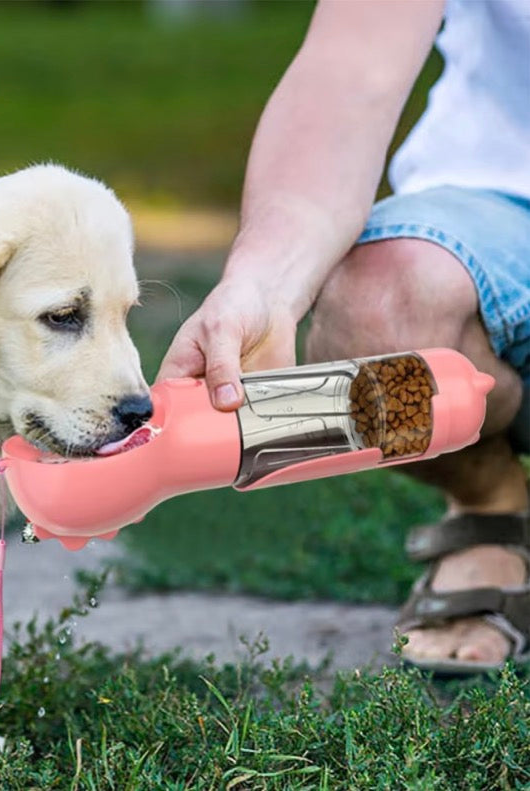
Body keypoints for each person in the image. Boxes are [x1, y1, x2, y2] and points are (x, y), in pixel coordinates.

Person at [158, 0, 530, 672]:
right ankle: (493, 506)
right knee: (382, 314)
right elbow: (350, 70)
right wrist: (265, 285)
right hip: (501, 196)